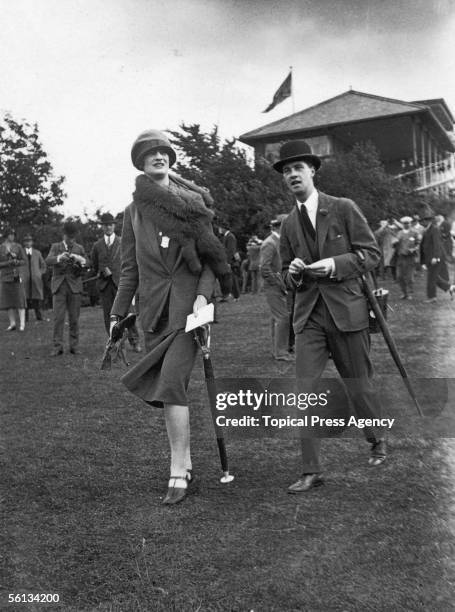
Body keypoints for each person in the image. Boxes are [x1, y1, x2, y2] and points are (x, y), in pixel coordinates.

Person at [111, 129, 227, 505]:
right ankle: (187, 461)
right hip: (152, 313)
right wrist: (118, 312)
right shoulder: (132, 214)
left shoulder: (192, 203)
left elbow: (211, 259)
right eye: (150, 153)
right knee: (165, 390)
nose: (158, 156)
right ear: (141, 164)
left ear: (171, 159)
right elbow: (129, 268)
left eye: (163, 151)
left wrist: (202, 298)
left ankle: (178, 471)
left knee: (172, 383)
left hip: (189, 311)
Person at [276, 140, 387, 493]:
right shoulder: (289, 224)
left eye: (298, 168)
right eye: (286, 171)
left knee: (360, 386)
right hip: (309, 319)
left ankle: (377, 438)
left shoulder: (342, 208)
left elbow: (371, 254)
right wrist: (293, 272)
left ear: (312, 171)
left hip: (348, 312)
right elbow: (283, 275)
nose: (292, 174)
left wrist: (334, 265)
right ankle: (312, 470)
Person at [90, 212, 141, 351]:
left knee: (128, 314)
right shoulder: (97, 245)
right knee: (109, 316)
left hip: (122, 284)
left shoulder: (122, 241)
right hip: (105, 285)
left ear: (114, 226)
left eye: (110, 225)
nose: (108, 227)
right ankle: (116, 343)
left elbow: (131, 260)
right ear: (102, 227)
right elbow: (93, 264)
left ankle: (135, 341)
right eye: (105, 225)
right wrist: (102, 270)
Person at [45, 221, 88, 355]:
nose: (71, 239)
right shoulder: (55, 247)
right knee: (58, 318)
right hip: (59, 287)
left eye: (73, 237)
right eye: (69, 236)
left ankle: (74, 346)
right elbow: (47, 261)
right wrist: (59, 258)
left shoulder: (79, 248)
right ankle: (57, 347)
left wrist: (79, 258)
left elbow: (88, 262)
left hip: (75, 286)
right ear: (64, 235)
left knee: (74, 318)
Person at [260, 214, 294, 362]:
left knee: (279, 317)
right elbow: (264, 268)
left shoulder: (278, 242)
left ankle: (279, 349)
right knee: (282, 318)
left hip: (280, 285)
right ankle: (281, 352)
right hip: (274, 287)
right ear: (280, 226)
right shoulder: (270, 243)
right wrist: (279, 283)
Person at [420, 208, 455, 302]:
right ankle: (450, 288)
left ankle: (432, 297)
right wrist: (423, 261)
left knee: (432, 277)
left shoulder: (434, 229)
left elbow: (437, 244)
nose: (423, 222)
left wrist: (436, 257)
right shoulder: (427, 230)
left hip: (435, 258)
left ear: (429, 220)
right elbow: (424, 245)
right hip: (429, 258)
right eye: (422, 220)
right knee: (434, 277)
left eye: (425, 220)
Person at [0, 228, 27, 331]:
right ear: (6, 236)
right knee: (8, 301)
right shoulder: (1, 248)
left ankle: (22, 324)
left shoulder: (18, 246)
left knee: (20, 299)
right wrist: (7, 263)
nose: (13, 236)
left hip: (16, 276)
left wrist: (17, 262)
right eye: (11, 234)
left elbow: (24, 261)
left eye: (13, 234)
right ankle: (12, 323)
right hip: (5, 277)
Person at [394, 216, 420, 300]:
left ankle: (409, 293)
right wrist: (394, 243)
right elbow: (394, 244)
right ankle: (404, 292)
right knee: (399, 276)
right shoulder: (399, 233)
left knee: (409, 277)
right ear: (402, 224)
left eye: (408, 223)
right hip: (401, 257)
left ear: (410, 223)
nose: (406, 225)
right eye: (404, 223)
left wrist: (414, 248)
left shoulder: (414, 233)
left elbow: (418, 244)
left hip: (410, 258)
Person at [22, 233, 47, 321]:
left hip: (36, 279)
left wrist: (39, 273)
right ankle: (25, 318)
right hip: (25, 279)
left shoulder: (37, 253)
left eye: (29, 241)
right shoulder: (20, 253)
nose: (28, 243)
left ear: (32, 242)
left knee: (37, 298)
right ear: (24, 243)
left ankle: (39, 316)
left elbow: (43, 265)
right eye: (26, 241)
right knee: (25, 298)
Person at [218, 224, 241, 300]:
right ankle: (231, 294)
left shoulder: (230, 236)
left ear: (224, 228)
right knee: (230, 278)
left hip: (231, 261)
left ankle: (236, 295)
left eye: (220, 228)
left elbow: (230, 250)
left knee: (233, 278)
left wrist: (228, 262)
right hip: (229, 260)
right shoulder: (226, 236)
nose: (219, 230)